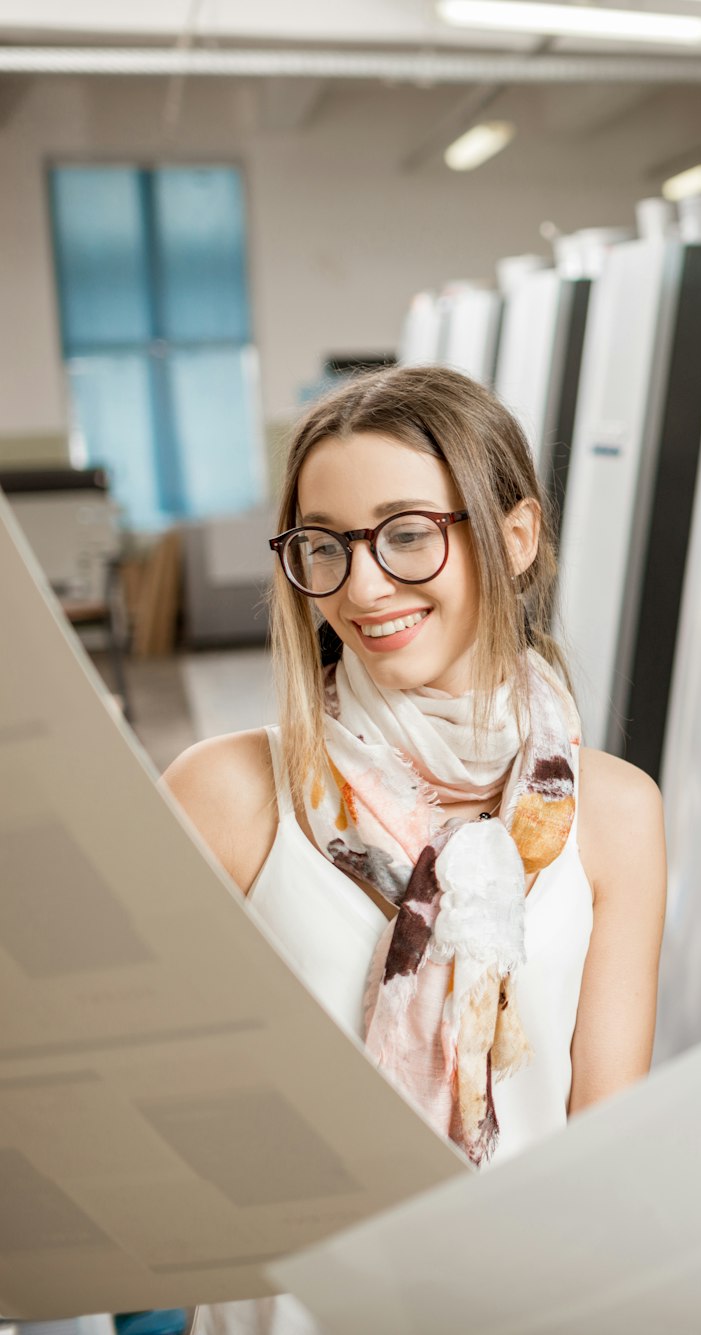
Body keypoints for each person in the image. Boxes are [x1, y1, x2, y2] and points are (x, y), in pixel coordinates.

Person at [163, 365, 666, 1333]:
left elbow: (603, 1151)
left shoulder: (612, 813)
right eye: (323, 546)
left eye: (406, 535)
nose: (360, 586)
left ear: (514, 539)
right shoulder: (227, 794)